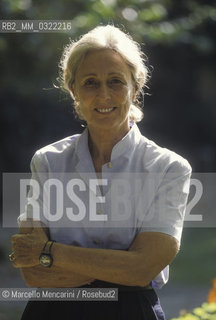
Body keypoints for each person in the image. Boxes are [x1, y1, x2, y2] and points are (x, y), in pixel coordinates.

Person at [10, 25, 192, 320]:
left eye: (116, 81)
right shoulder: (47, 162)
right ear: (74, 91)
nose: (104, 94)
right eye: (90, 82)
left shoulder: (169, 168)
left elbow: (142, 268)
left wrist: (49, 251)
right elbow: (33, 273)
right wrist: (116, 266)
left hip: (131, 312)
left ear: (136, 85)